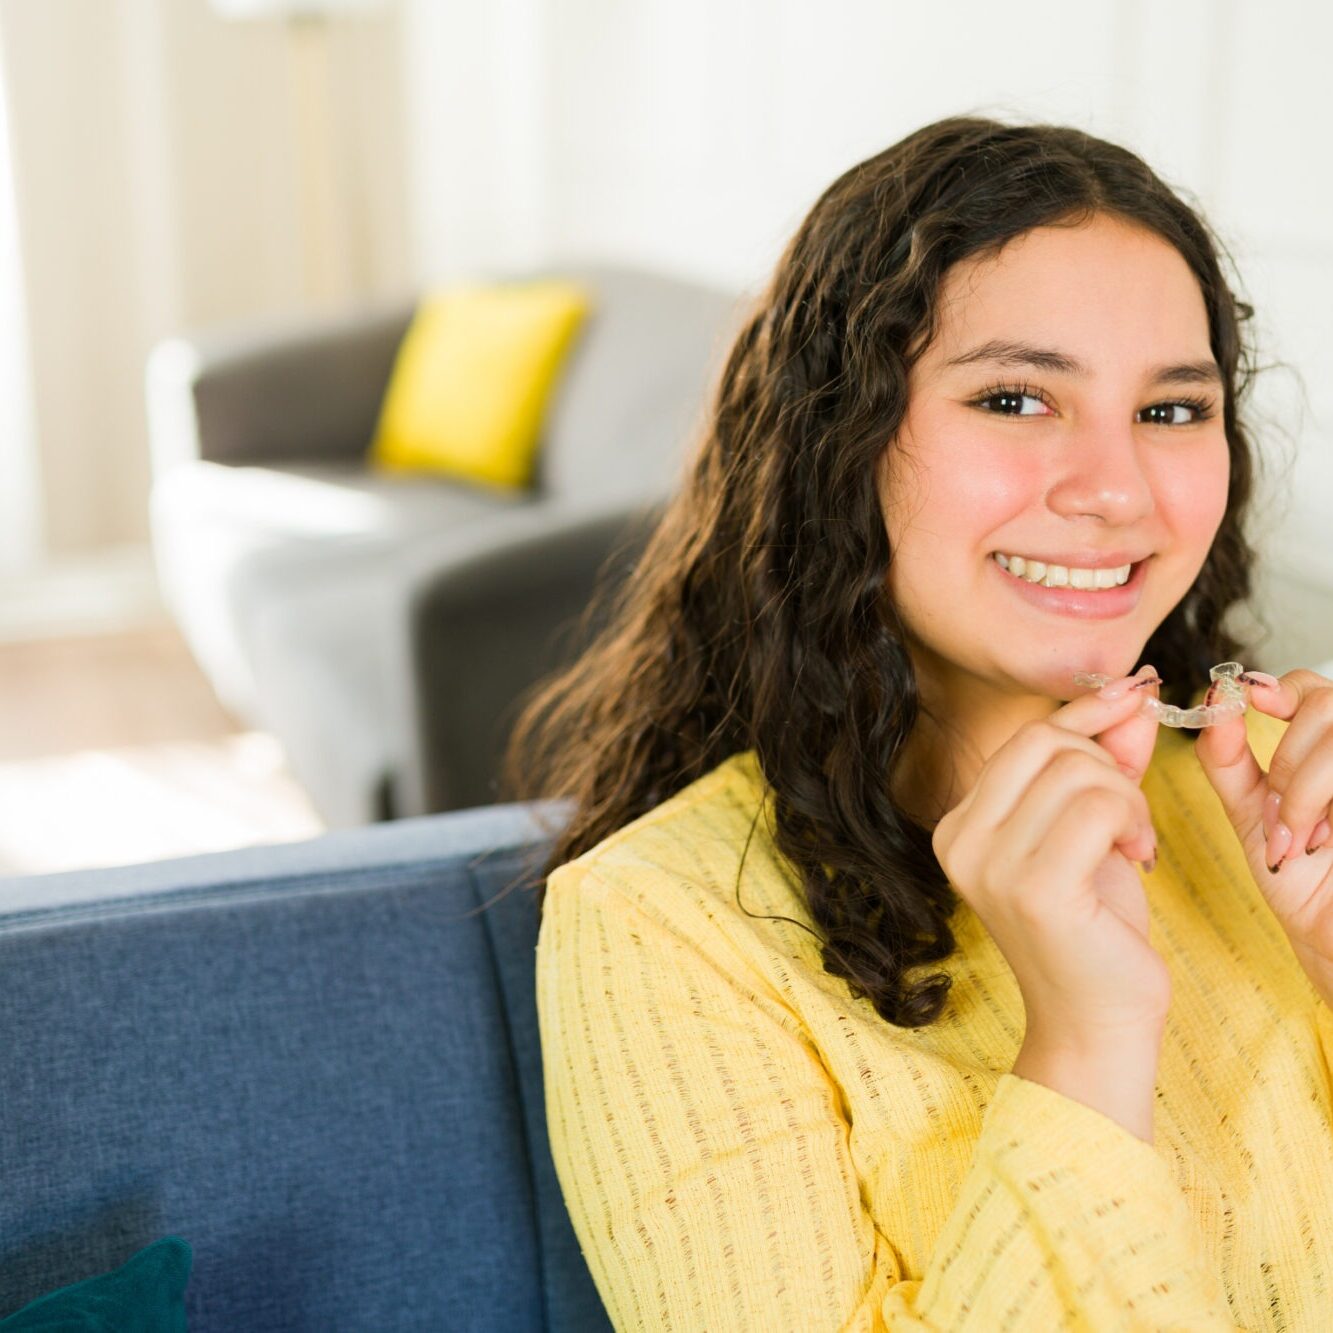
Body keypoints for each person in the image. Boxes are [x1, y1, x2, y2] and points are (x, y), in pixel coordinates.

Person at [499, 115, 1333, 1329]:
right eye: (1013, 397)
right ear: (836, 441)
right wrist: (1086, 1042)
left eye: (1169, 411)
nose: (1115, 489)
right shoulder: (656, 927)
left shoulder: (1273, 791)